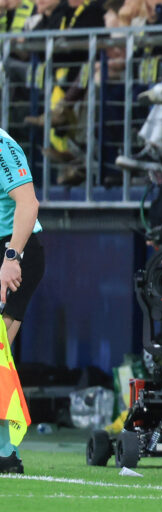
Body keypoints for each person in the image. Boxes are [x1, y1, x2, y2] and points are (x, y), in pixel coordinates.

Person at [0, 127, 45, 474]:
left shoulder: (2, 144)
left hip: (13, 252)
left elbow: (28, 202)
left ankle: (6, 453)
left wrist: (12, 257)